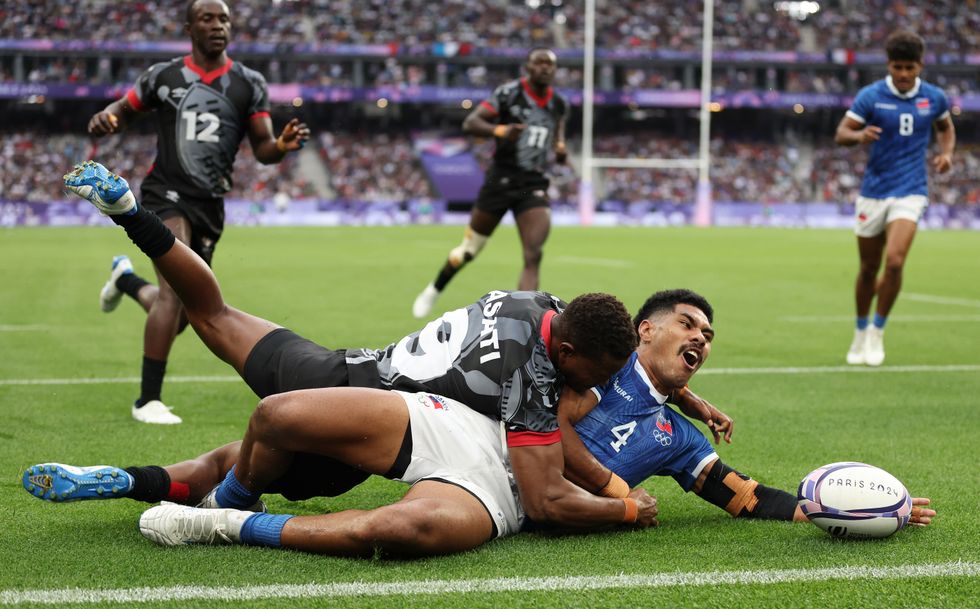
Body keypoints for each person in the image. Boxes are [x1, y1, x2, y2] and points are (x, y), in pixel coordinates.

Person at [37, 160, 662, 556]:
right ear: (570, 350)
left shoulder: (540, 302)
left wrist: (677, 392)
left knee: (214, 315)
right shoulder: (535, 375)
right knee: (247, 464)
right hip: (376, 422)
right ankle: (223, 503)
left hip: (339, 368)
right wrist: (623, 503)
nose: (603, 386)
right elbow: (547, 496)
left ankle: (129, 214)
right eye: (600, 373)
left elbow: (575, 353)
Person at [88, 0, 310, 424]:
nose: (217, 25)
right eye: (207, 18)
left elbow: (262, 149)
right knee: (173, 293)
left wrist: (280, 146)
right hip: (165, 193)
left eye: (224, 18)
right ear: (190, 27)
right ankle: (146, 401)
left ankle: (126, 279)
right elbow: (123, 108)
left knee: (186, 309)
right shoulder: (163, 75)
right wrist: (108, 119)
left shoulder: (248, 83)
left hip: (210, 204)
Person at [557, 289, 935, 527]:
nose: (699, 339)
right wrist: (619, 490)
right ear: (646, 331)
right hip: (506, 469)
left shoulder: (680, 438)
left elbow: (746, 496)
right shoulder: (606, 359)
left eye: (707, 337)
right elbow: (553, 425)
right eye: (686, 324)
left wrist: (863, 509)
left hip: (544, 510)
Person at [412, 48, 569, 319]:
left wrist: (560, 147)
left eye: (550, 64)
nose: (544, 68)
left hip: (532, 183)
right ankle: (434, 288)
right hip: (501, 180)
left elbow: (557, 132)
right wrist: (500, 130)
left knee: (533, 253)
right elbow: (470, 122)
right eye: (539, 62)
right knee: (469, 251)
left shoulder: (559, 104)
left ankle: (526, 319)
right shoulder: (508, 94)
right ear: (528, 68)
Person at [835, 29, 955, 367]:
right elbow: (842, 133)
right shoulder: (871, 96)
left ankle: (877, 330)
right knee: (868, 268)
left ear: (920, 66)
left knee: (897, 260)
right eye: (897, 67)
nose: (903, 74)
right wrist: (859, 135)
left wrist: (947, 154)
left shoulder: (934, 98)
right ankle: (860, 330)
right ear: (889, 65)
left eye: (910, 68)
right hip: (873, 193)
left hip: (911, 190)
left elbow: (945, 127)